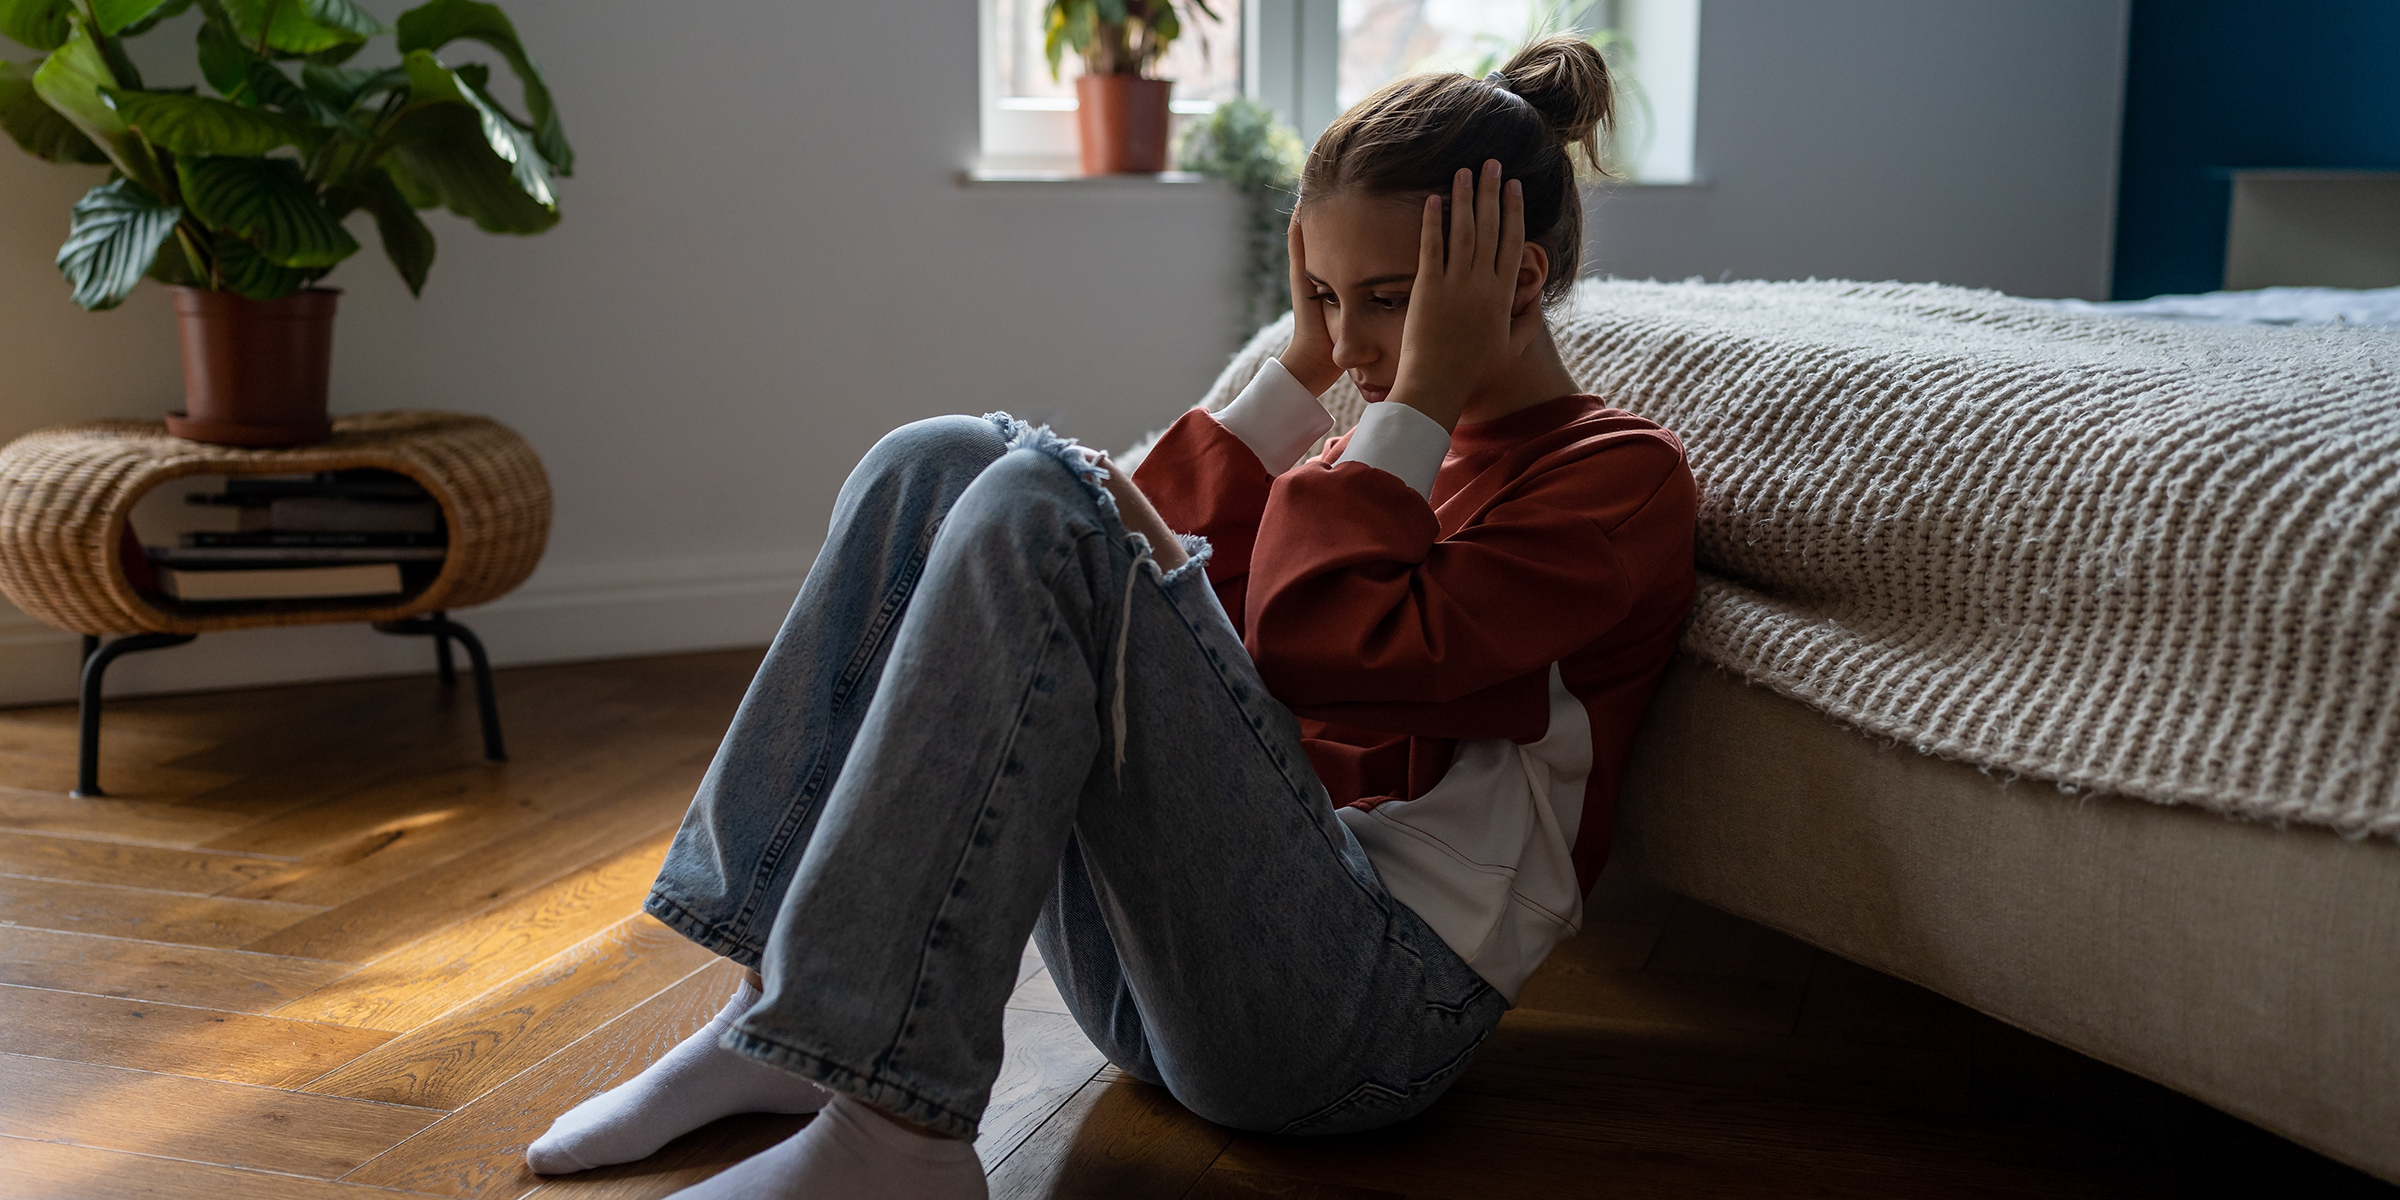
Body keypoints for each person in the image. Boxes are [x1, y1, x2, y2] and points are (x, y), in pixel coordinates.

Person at [524, 33, 1696, 1200]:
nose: (1349, 347)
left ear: (1520, 281)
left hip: (1367, 1021)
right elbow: (1157, 587)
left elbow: (1320, 647)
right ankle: (784, 1018)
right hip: (1171, 988)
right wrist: (1294, 378)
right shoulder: (1365, 462)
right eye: (1326, 300)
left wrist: (1417, 401)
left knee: (1041, 496)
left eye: (1389, 301)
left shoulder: (1610, 480)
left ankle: (898, 1136)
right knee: (947, 459)